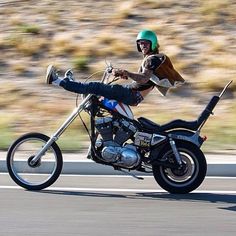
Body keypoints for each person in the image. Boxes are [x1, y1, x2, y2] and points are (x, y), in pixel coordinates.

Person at [46, 30, 185, 105]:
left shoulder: (152, 59)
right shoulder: (152, 59)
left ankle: (57, 81)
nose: (143, 46)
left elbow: (143, 79)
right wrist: (124, 75)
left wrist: (126, 72)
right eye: (140, 44)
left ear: (153, 43)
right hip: (130, 92)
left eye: (146, 43)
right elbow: (145, 80)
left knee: (95, 87)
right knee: (98, 97)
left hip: (131, 95)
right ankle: (71, 83)